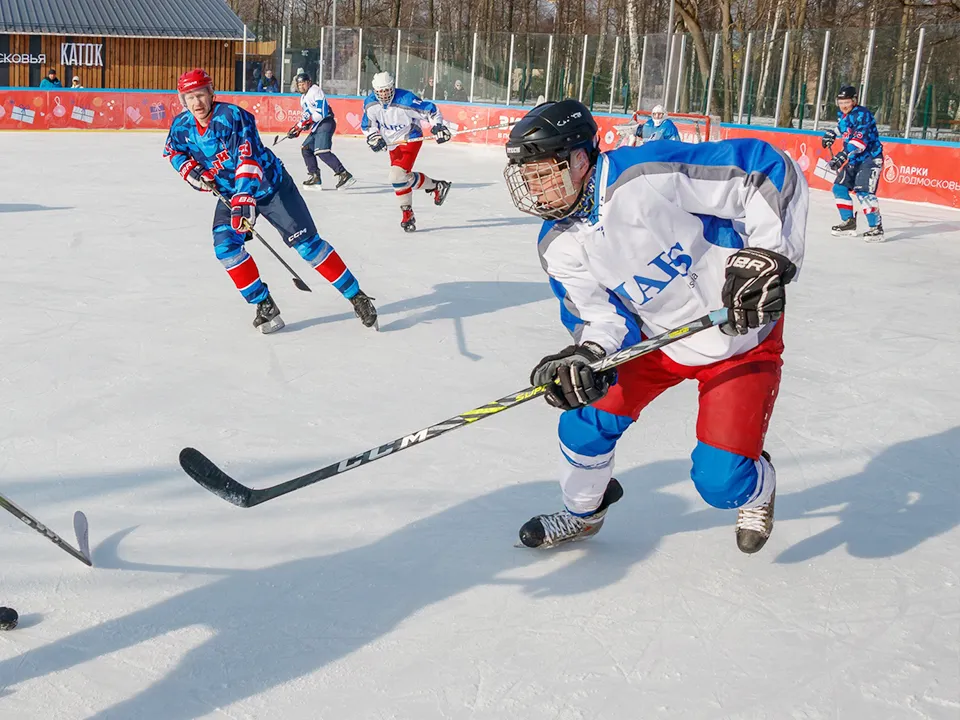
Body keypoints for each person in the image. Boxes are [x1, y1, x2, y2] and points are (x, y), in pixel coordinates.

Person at [502, 99, 808, 553]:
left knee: (723, 483)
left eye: (545, 174)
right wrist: (586, 356)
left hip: (740, 337)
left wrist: (768, 258)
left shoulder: (645, 173)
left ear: (581, 159)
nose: (536, 190)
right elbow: (600, 316)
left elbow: (764, 169)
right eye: (529, 178)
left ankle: (758, 484)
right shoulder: (557, 245)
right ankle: (584, 513)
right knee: (582, 427)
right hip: (658, 341)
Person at [163, 69, 378, 333]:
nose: (196, 102)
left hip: (271, 187)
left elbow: (248, 159)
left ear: (211, 93)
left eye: (201, 95)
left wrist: (243, 201)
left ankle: (356, 296)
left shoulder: (233, 117)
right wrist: (191, 170)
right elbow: (173, 151)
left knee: (308, 246)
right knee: (225, 247)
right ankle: (264, 304)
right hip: (230, 194)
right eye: (190, 97)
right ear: (182, 100)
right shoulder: (182, 126)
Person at [361, 71, 453, 232]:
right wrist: (374, 137)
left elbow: (431, 110)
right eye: (380, 91)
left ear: (392, 87)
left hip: (410, 138)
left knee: (396, 177)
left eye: (387, 90)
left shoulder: (406, 99)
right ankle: (437, 186)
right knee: (403, 177)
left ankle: (407, 214)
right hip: (392, 143)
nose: (384, 94)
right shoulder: (370, 104)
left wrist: (438, 126)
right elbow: (368, 126)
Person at [822, 85, 885, 242]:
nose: (843, 105)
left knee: (864, 192)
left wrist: (842, 155)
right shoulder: (845, 115)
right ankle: (849, 222)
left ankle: (876, 228)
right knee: (839, 188)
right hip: (855, 159)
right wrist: (832, 133)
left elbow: (859, 141)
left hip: (870, 159)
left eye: (847, 102)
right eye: (841, 102)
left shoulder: (863, 115)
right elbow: (843, 128)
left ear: (854, 101)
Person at [286, 72, 354, 189]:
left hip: (325, 122)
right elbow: (307, 116)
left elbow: (322, 112)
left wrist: (308, 122)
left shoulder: (315, 91)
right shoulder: (303, 98)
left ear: (309, 83)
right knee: (306, 148)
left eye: (303, 84)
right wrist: (297, 128)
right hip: (317, 126)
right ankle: (315, 176)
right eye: (299, 84)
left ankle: (344, 174)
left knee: (322, 151)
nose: (301, 86)